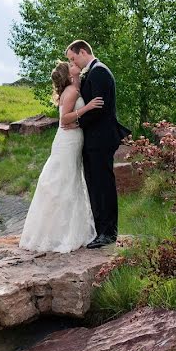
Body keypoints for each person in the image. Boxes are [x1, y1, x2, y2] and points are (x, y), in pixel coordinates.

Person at [18, 61, 104, 253]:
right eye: (71, 65)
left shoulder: (73, 87)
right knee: (64, 181)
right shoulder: (72, 91)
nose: (75, 64)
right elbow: (64, 118)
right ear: (68, 73)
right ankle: (62, 234)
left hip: (69, 138)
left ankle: (62, 231)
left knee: (67, 179)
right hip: (68, 140)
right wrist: (88, 107)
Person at [64, 40, 131, 249]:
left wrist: (76, 123)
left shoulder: (99, 72)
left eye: (73, 58)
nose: (72, 62)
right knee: (94, 185)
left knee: (103, 186)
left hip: (101, 139)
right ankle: (100, 230)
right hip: (93, 139)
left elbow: (99, 109)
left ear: (83, 52)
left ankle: (108, 233)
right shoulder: (91, 72)